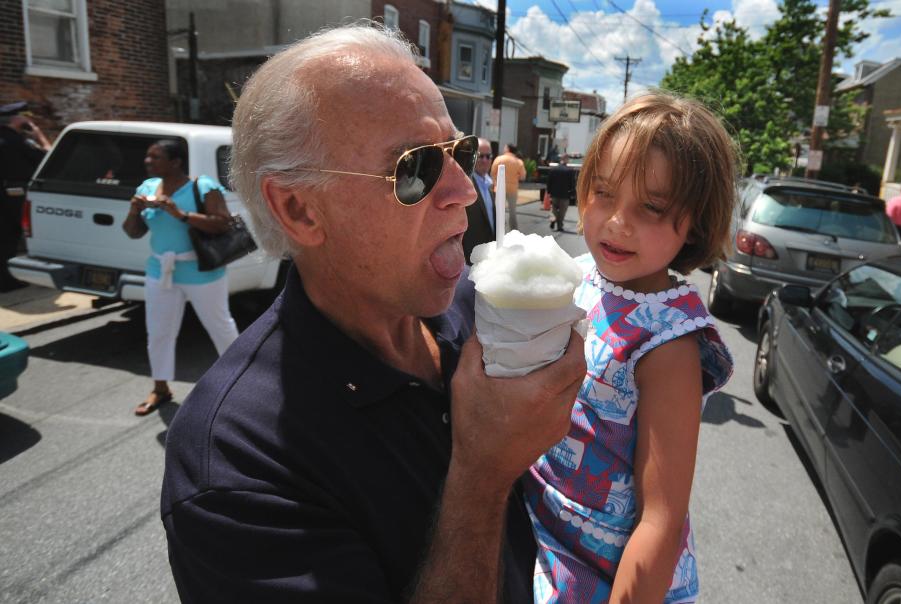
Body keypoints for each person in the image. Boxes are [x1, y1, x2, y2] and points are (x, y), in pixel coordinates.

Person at [160, 23, 586, 603]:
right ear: (299, 209)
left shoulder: (474, 309)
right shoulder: (235, 462)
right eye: (415, 167)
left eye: (458, 152)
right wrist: (482, 474)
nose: (464, 189)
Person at [523, 92, 736, 603]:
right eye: (603, 192)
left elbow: (661, 518)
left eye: (652, 207)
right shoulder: (582, 278)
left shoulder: (669, 342)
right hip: (544, 536)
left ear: (697, 222)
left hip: (607, 572)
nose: (618, 221)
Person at [122, 139, 239, 416]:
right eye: (148, 157)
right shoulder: (146, 188)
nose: (148, 161)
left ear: (175, 162)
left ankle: (241, 383)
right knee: (159, 331)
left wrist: (181, 214)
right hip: (160, 271)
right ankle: (160, 388)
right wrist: (134, 210)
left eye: (156, 157)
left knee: (220, 326)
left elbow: (223, 222)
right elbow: (133, 232)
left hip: (201, 271)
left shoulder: (203, 186)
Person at [0, 101, 51, 292]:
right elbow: (48, 156)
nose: (29, 119)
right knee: (13, 236)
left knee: (3, 236)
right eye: (25, 116)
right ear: (16, 119)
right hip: (14, 193)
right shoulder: (19, 141)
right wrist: (39, 136)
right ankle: (7, 281)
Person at [463, 137, 495, 263]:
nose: (485, 160)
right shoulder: (464, 184)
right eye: (481, 156)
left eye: (488, 156)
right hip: (471, 257)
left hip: (490, 255)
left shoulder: (491, 183)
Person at [491, 143, 527, 231]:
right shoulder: (519, 162)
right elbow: (523, 177)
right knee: (512, 212)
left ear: (507, 149)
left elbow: (492, 173)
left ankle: (498, 230)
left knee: (498, 211)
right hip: (512, 190)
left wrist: (494, 182)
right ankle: (514, 232)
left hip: (499, 189)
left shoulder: (499, 159)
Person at [545, 154, 576, 232]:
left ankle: (554, 219)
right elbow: (572, 184)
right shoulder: (570, 171)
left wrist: (548, 191)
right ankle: (560, 225)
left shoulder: (553, 170)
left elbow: (549, 182)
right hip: (565, 195)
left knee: (554, 208)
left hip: (554, 193)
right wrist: (573, 194)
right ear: (566, 160)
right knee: (562, 211)